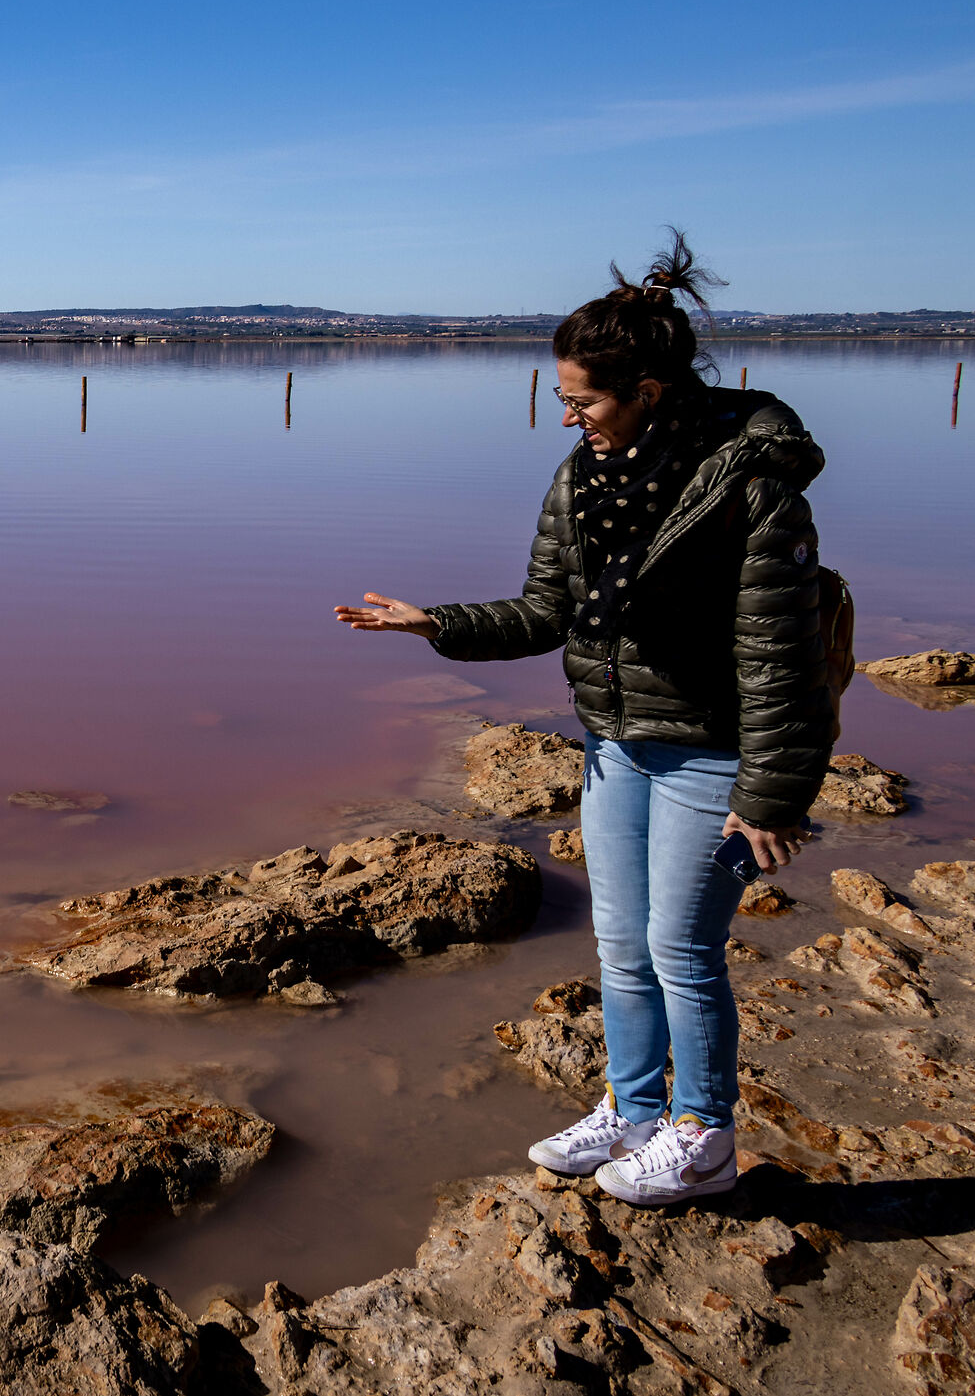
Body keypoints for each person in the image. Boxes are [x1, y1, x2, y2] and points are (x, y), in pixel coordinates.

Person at [335, 231, 832, 1205]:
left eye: (583, 400)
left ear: (648, 389)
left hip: (712, 759)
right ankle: (634, 1109)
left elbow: (784, 657)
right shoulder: (583, 477)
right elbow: (547, 609)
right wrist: (436, 623)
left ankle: (705, 1136)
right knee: (621, 942)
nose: (567, 417)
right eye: (563, 398)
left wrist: (773, 798)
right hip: (614, 749)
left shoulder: (751, 490)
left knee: (682, 948)